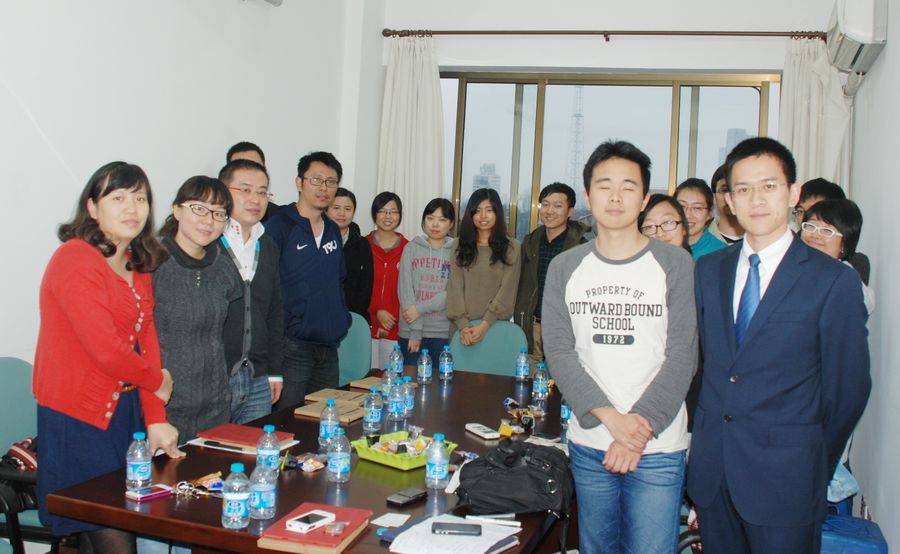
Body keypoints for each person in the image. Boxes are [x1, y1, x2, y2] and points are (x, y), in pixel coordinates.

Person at [687, 137, 871, 553]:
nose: (756, 199)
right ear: (729, 201)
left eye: (769, 186)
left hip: (788, 480)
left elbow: (848, 390)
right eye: (743, 189)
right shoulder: (709, 270)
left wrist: (811, 465)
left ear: (793, 194)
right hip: (714, 476)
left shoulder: (832, 280)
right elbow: (705, 367)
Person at [542, 140, 697, 554]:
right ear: (588, 195)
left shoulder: (676, 264)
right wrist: (612, 421)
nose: (615, 196)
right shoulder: (565, 267)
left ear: (644, 199)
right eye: (604, 185)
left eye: (628, 187)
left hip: (658, 445)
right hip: (591, 440)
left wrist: (634, 434)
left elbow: (683, 355)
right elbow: (558, 351)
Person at [34, 162, 183, 552]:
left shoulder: (137, 261)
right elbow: (105, 350)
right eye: (118, 198)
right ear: (92, 207)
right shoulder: (75, 258)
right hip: (79, 417)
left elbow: (146, 339)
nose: (132, 208)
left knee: (115, 522)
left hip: (125, 410)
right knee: (112, 530)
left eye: (140, 198)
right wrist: (158, 381)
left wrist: (156, 417)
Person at [154, 176, 242, 443]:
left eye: (218, 213)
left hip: (215, 407)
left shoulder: (224, 267)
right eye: (199, 209)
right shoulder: (152, 262)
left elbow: (230, 334)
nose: (208, 220)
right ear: (177, 210)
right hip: (164, 407)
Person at [265, 151, 350, 410]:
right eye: (316, 180)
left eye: (331, 182)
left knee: (325, 419)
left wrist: (341, 319)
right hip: (292, 347)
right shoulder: (279, 226)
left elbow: (338, 280)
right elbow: (267, 286)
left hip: (329, 346)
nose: (324, 188)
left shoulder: (333, 229)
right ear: (299, 182)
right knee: (287, 420)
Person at [218, 159, 285, 424]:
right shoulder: (210, 242)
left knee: (255, 447)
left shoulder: (267, 245)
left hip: (258, 377)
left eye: (262, 192)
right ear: (224, 192)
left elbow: (274, 313)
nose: (255, 199)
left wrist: (275, 371)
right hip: (217, 377)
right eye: (245, 190)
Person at [514, 182, 587, 364]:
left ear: (570, 211)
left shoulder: (582, 247)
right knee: (531, 376)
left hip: (564, 328)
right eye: (545, 205)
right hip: (533, 325)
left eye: (557, 205)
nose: (549, 211)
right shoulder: (530, 242)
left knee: (562, 375)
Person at [446, 188, 521, 346]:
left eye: (489, 210)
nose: (483, 216)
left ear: (497, 213)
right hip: (462, 331)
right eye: (478, 211)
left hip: (495, 328)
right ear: (471, 214)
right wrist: (464, 326)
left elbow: (507, 291)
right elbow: (455, 287)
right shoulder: (459, 244)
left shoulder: (512, 247)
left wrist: (484, 325)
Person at [397, 198, 456, 365]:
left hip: (441, 332)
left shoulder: (456, 253)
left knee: (440, 379)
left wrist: (420, 309)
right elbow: (405, 289)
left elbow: (452, 293)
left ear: (451, 224)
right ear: (423, 220)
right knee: (408, 378)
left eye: (442, 219)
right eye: (430, 218)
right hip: (410, 331)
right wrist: (416, 330)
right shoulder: (411, 248)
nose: (435, 224)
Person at [801, 199, 874, 314]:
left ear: (844, 244)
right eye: (810, 226)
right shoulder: (789, 265)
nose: (815, 235)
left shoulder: (847, 280)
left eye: (826, 230)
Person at [794, 178, 871, 285]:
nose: (815, 234)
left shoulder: (849, 273)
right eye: (801, 211)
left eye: (826, 230)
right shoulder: (788, 250)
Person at [367, 192, 409, 369]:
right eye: (383, 211)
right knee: (362, 378)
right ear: (374, 214)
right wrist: (376, 311)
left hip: (396, 328)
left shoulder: (408, 248)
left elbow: (410, 291)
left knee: (390, 378)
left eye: (393, 212)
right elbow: (356, 288)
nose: (388, 216)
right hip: (366, 326)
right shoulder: (362, 245)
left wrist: (393, 318)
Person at [327, 187, 374, 322]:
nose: (342, 213)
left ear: (353, 212)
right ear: (326, 210)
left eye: (348, 209)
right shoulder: (316, 240)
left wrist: (354, 315)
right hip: (320, 316)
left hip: (352, 317)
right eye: (336, 208)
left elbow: (366, 286)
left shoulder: (362, 244)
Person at [226, 141, 280, 222]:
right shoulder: (213, 219)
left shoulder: (278, 219)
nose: (251, 174)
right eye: (242, 167)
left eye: (256, 167)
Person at [675, 178, 726, 260]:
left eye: (697, 208)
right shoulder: (662, 244)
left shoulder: (721, 253)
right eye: (682, 206)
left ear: (710, 214)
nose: (687, 215)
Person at [707, 164, 744, 244]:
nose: (730, 196)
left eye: (739, 190)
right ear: (714, 197)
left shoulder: (765, 238)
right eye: (725, 190)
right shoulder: (701, 239)